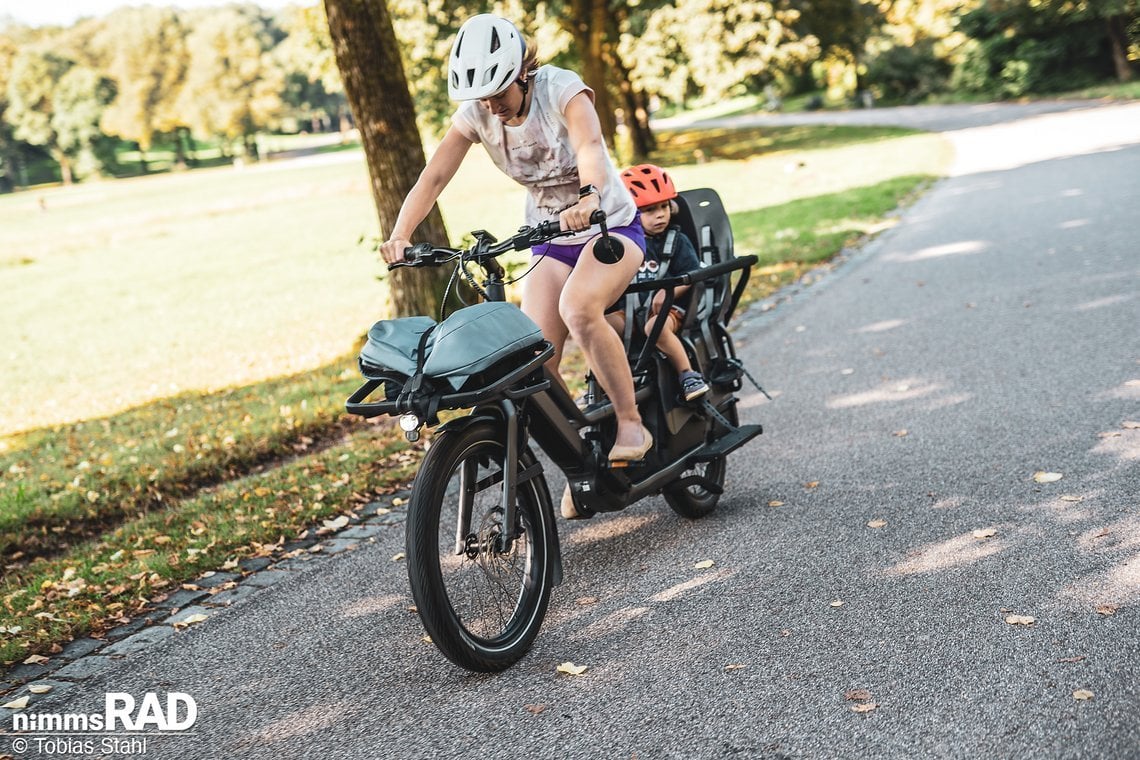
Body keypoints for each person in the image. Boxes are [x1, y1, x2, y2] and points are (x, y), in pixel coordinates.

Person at [378, 14, 652, 466]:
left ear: (522, 74)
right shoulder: (477, 116)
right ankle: (583, 453)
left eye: (499, 92)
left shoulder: (561, 89)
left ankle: (629, 422)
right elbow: (434, 177)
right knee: (531, 354)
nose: (492, 107)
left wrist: (589, 196)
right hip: (549, 237)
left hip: (609, 226)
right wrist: (400, 235)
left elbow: (589, 145)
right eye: (482, 98)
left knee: (578, 309)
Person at [616, 164, 709, 402]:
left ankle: (688, 375)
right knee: (598, 326)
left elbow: (692, 273)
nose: (660, 214)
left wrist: (667, 291)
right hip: (629, 311)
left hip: (668, 310)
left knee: (654, 327)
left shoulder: (676, 241)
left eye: (664, 206)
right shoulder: (622, 245)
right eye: (649, 210)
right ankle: (602, 384)